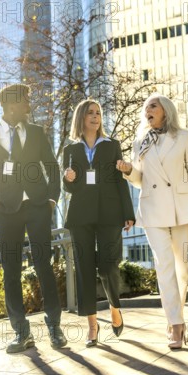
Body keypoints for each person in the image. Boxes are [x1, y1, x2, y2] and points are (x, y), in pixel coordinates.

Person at [0, 83, 67, 353]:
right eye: (25, 101)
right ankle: (21, 332)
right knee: (11, 271)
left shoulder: (36, 133)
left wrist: (51, 199)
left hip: (37, 206)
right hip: (6, 211)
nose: (29, 105)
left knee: (43, 265)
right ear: (11, 105)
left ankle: (54, 327)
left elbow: (52, 167)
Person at [116, 93, 188, 350]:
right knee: (164, 264)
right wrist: (128, 171)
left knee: (181, 267)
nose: (147, 110)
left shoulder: (184, 137)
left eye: (153, 106)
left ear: (165, 111)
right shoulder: (140, 142)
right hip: (153, 210)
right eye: (145, 108)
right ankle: (175, 324)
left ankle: (176, 317)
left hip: (183, 209)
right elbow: (140, 179)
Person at [62, 99, 135, 347]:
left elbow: (120, 180)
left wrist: (128, 212)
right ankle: (92, 327)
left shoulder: (111, 145)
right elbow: (67, 185)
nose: (95, 116)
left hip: (110, 214)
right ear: (81, 118)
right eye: (90, 113)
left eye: (99, 113)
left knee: (107, 267)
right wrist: (68, 178)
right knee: (84, 270)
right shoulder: (70, 151)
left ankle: (115, 307)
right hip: (81, 216)